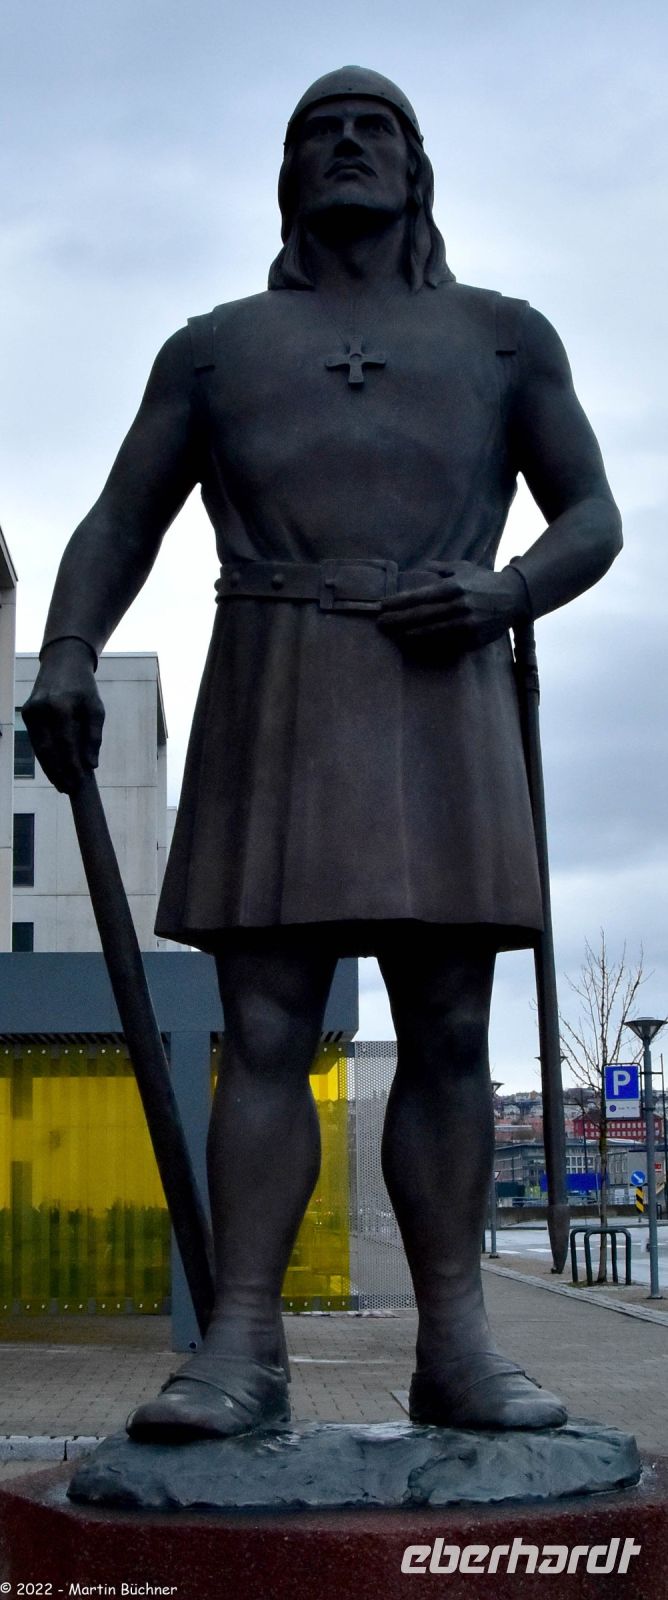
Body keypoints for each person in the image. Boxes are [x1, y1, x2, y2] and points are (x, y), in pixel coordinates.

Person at [23, 67, 622, 1439]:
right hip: (278, 675)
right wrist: (65, 653)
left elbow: (592, 514)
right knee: (270, 1029)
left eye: (376, 130)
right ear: (287, 178)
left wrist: (508, 592)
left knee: (453, 1029)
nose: (348, 147)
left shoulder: (506, 338)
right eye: (319, 133)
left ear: (418, 169)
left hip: (446, 675)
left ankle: (459, 1341)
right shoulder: (215, 347)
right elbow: (120, 521)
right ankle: (241, 1344)